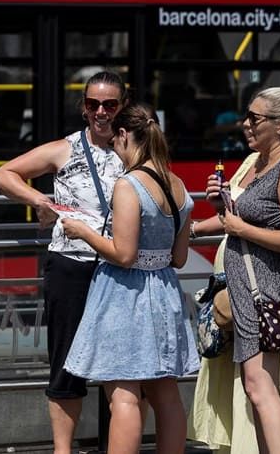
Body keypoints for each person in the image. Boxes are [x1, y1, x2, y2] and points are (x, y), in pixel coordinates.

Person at [0, 71, 127, 454]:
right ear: (83, 107)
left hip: (120, 266)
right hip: (72, 264)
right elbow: (0, 175)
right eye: (93, 104)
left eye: (110, 104)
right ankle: (63, 450)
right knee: (66, 360)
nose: (101, 112)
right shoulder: (65, 149)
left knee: (123, 365)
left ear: (122, 107)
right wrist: (40, 202)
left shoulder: (133, 148)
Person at [61, 104, 199, 454]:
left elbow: (123, 254)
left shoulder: (129, 184)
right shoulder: (179, 186)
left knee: (123, 396)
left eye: (114, 142)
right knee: (165, 393)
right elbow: (179, 258)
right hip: (165, 292)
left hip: (125, 296)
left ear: (124, 135)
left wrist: (81, 231)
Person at [201, 87, 280, 454]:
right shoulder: (263, 162)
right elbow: (252, 214)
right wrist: (222, 204)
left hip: (268, 287)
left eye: (254, 118)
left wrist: (240, 229)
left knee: (260, 386)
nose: (245, 124)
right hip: (248, 286)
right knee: (256, 385)